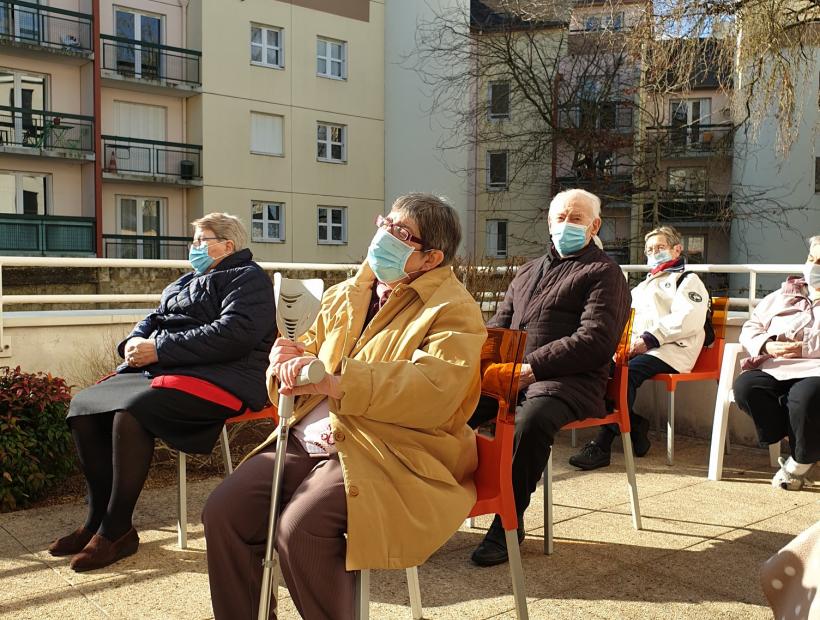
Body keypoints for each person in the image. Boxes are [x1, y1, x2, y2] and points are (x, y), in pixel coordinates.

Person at [202, 193, 487, 620]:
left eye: (401, 233)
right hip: (311, 435)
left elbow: (433, 389)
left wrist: (339, 382)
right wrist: (283, 364)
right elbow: (308, 354)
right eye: (385, 223)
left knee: (300, 530)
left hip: (391, 448)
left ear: (431, 258)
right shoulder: (347, 293)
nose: (384, 236)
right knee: (224, 512)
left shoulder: (453, 309)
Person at [48, 213, 276, 571]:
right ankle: (95, 521)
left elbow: (234, 334)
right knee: (84, 406)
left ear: (227, 245)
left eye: (202, 240)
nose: (194, 247)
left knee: (134, 411)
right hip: (171, 367)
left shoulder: (249, 279)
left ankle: (116, 530)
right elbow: (154, 318)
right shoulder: (187, 280)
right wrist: (135, 341)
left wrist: (161, 349)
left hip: (223, 375)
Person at [468, 188, 631, 567]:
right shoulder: (527, 271)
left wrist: (532, 369)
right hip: (513, 376)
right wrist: (480, 362)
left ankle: (508, 519)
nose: (566, 226)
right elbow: (500, 325)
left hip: (569, 382)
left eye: (576, 219)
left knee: (532, 420)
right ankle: (446, 500)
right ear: (549, 222)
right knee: (454, 406)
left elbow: (595, 340)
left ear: (595, 225)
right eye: (560, 218)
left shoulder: (604, 272)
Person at [569, 225, 709, 470]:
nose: (654, 253)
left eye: (660, 247)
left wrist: (648, 339)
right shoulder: (643, 286)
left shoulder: (688, 280)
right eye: (650, 249)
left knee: (626, 374)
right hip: (639, 349)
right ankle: (634, 424)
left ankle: (602, 445)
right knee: (597, 369)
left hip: (670, 350)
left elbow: (688, 318)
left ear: (677, 249)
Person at [732, 235, 820, 490]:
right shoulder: (781, 295)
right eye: (810, 258)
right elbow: (751, 326)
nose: (813, 266)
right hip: (775, 364)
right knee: (746, 389)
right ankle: (799, 439)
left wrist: (804, 347)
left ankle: (798, 464)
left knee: (805, 399)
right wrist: (766, 344)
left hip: (815, 368)